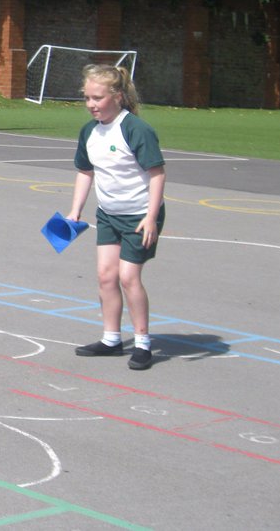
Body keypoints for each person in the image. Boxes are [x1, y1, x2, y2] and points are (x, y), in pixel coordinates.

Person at [67, 64, 166, 371]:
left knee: (128, 278)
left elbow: (157, 174)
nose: (91, 105)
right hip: (108, 214)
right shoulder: (89, 132)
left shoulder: (136, 129)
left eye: (97, 98)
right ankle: (111, 339)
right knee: (106, 276)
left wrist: (151, 217)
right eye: (87, 98)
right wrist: (75, 211)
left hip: (139, 215)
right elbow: (86, 172)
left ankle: (142, 344)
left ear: (118, 97)